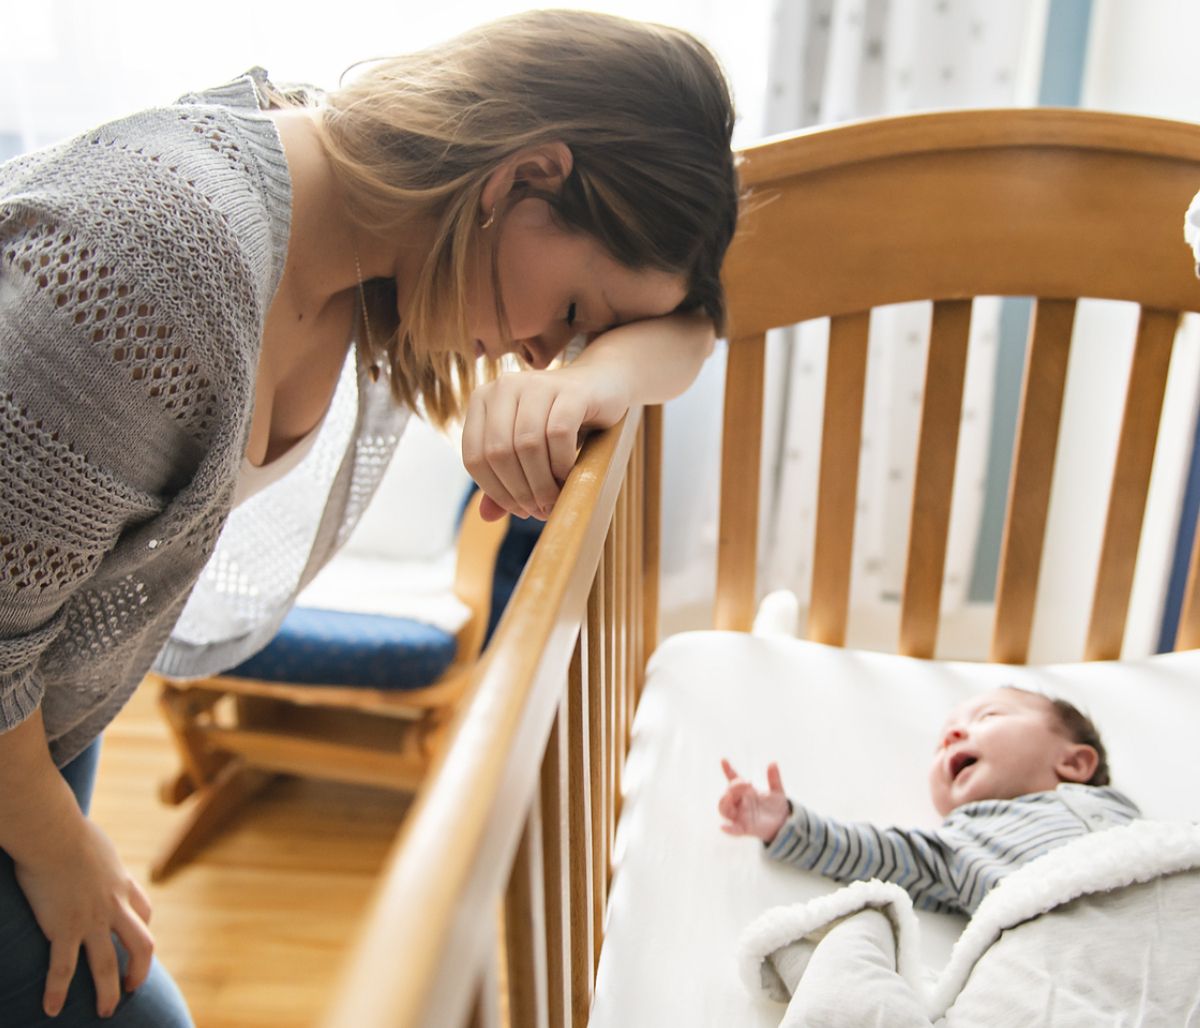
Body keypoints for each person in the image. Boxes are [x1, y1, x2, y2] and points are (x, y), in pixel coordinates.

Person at [0, 10, 740, 1025]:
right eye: (570, 311)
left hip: (46, 707)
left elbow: (693, 328)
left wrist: (592, 377)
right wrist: (55, 843)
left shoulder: (352, 227)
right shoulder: (162, 254)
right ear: (526, 177)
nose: (538, 354)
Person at [718, 685, 1140, 916]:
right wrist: (787, 823)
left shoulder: (1129, 817)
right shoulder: (959, 845)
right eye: (942, 740)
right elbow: (872, 853)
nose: (951, 736)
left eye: (988, 717)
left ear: (1074, 762)